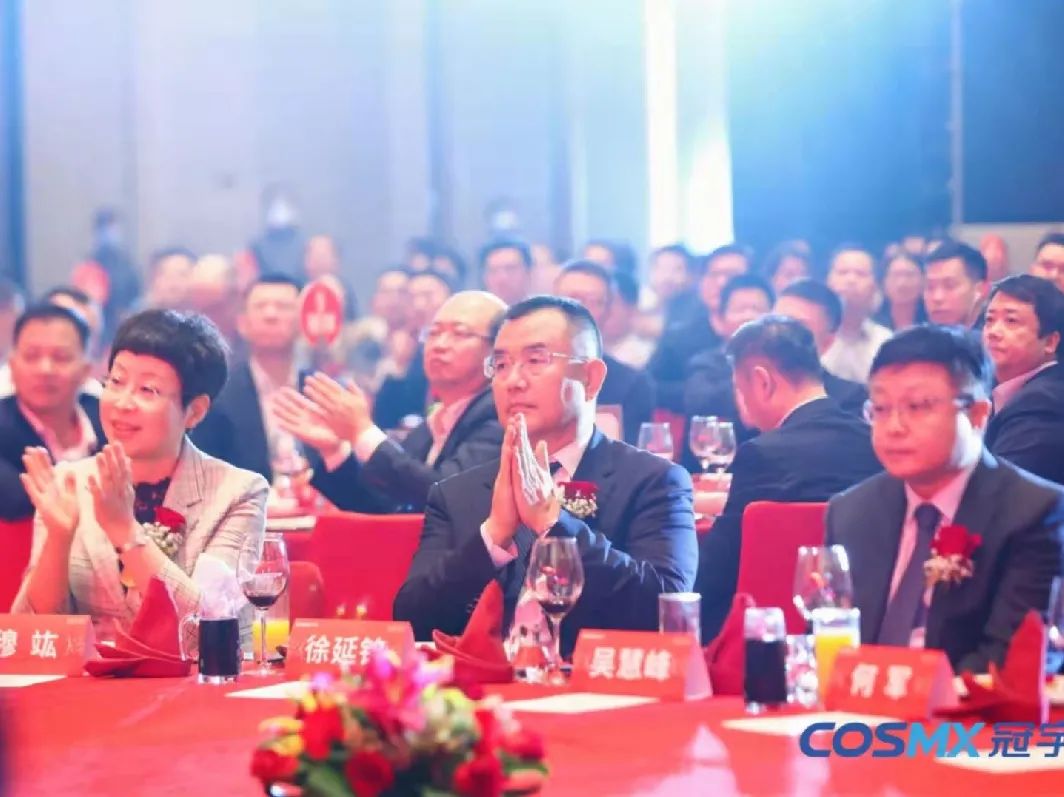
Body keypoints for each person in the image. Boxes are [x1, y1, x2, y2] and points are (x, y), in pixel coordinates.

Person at [393, 296, 697, 653]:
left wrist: (554, 524)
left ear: (590, 378)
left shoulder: (653, 481)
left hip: (590, 679)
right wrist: (492, 538)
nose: (513, 381)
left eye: (536, 361)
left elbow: (665, 608)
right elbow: (413, 620)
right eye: (501, 365)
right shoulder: (456, 493)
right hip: (486, 681)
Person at [11, 309, 269, 642]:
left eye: (148, 390)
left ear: (195, 411)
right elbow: (32, 632)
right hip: (89, 676)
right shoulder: (68, 483)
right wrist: (58, 540)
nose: (122, 403)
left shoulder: (237, 493)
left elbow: (207, 631)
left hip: (190, 676)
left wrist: (125, 531)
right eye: (116, 382)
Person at [826, 325, 1064, 673]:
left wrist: (912, 690)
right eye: (880, 408)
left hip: (964, 704)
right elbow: (830, 637)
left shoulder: (1033, 512)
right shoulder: (851, 511)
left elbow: (1011, 661)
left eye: (917, 407)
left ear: (977, 415)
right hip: (859, 701)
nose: (894, 426)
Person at [697, 316, 882, 640]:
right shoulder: (873, 443)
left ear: (762, 382)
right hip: (862, 629)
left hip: (767, 637)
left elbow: (718, 569)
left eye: (741, 389)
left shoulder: (763, 454)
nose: (743, 404)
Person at [275, 292, 507, 513]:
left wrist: (362, 432)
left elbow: (445, 495)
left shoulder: (499, 416)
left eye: (459, 334)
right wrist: (334, 451)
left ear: (497, 350)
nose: (439, 344)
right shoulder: (430, 427)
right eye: (433, 333)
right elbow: (383, 508)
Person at [192, 274, 304, 482]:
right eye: (261, 306)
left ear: (303, 321)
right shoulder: (218, 396)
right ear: (242, 323)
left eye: (283, 306)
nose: (271, 315)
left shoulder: (322, 392)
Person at [0, 305, 105, 520]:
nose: (45, 369)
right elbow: (15, 503)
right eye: (31, 356)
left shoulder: (108, 419)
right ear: (12, 366)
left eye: (61, 357)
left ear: (86, 370)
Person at [554, 261, 654, 443]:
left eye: (593, 301)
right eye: (572, 298)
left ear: (608, 312)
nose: (580, 309)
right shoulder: (521, 372)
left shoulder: (631, 384)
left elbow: (632, 455)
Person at [647, 244, 752, 412]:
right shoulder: (678, 338)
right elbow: (649, 386)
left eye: (732, 276)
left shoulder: (764, 336)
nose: (721, 283)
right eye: (713, 275)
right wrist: (697, 391)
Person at [983, 275, 1064, 485]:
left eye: (1011, 321)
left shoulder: (1044, 403)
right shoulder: (989, 389)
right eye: (989, 320)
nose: (993, 332)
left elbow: (998, 489)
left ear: (1050, 342)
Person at [682, 274, 775, 455]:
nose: (749, 316)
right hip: (716, 462)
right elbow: (700, 402)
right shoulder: (704, 364)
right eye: (740, 309)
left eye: (757, 309)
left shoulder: (785, 367)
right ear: (719, 321)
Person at [773, 279, 868, 415]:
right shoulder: (745, 387)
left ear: (827, 342)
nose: (781, 332)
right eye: (774, 322)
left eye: (796, 326)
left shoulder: (849, 400)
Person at [823, 245, 893, 384]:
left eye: (861, 274)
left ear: (875, 286)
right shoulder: (812, 336)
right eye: (843, 272)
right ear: (828, 281)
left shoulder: (885, 341)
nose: (851, 280)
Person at [923, 240, 989, 328]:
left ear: (980, 290)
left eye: (949, 286)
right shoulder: (915, 335)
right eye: (930, 287)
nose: (937, 297)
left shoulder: (997, 334)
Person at [249, 184, 306, 279]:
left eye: (285, 203)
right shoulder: (257, 245)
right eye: (273, 205)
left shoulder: (303, 243)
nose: (279, 209)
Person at [873, 251, 928, 331]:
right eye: (895, 275)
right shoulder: (872, 327)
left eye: (909, 275)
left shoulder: (932, 324)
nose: (902, 283)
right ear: (883, 282)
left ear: (923, 280)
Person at [480, 239, 533, 307]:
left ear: (528, 273)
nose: (502, 278)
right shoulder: (474, 313)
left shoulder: (542, 311)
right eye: (494, 271)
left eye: (510, 269)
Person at [145, 247, 196, 311]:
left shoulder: (201, 313)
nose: (174, 284)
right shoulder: (140, 313)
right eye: (167, 277)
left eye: (182, 275)